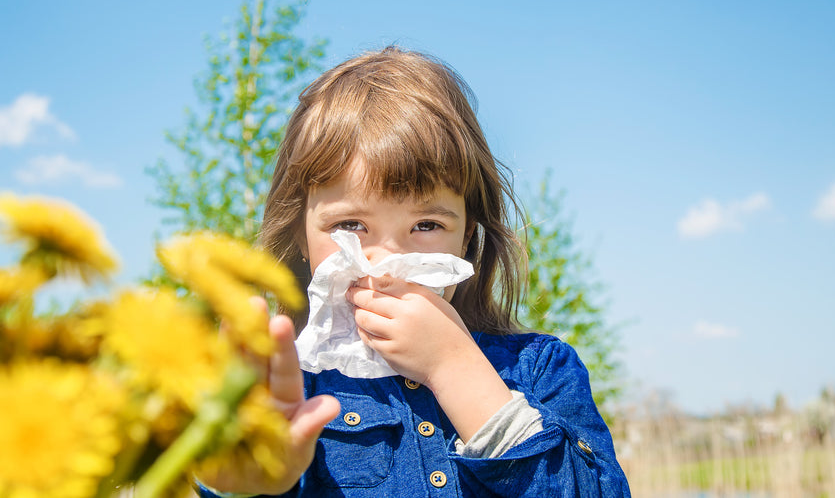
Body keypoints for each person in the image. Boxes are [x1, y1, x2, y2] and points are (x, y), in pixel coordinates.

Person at [198, 47, 631, 497]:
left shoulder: (540, 369)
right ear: (302, 237)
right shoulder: (290, 389)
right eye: (350, 225)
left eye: (426, 225)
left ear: (466, 236)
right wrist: (243, 483)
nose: (384, 262)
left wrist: (455, 368)